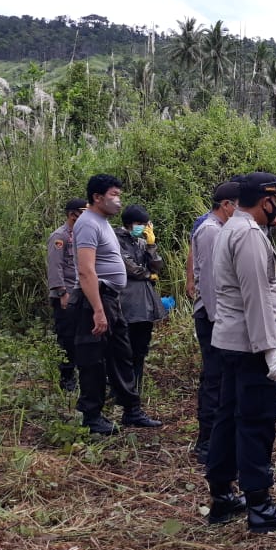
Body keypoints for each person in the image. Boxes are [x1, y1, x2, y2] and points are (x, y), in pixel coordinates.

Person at [205, 172, 276, 533]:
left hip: (230, 340)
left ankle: (222, 495)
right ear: (266, 201)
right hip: (249, 346)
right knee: (255, 422)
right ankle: (260, 506)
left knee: (228, 417)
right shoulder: (248, 235)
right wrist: (269, 350)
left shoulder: (230, 227)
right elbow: (257, 298)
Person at [70, 174, 162, 435]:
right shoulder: (88, 224)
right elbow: (86, 271)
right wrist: (98, 310)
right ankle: (92, 416)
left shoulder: (102, 222)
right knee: (93, 359)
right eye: (114, 195)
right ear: (97, 197)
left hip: (111, 299)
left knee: (122, 355)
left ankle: (131, 410)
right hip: (96, 300)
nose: (118, 201)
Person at [189, 181, 240, 466]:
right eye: (236, 206)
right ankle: (206, 442)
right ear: (226, 205)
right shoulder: (210, 231)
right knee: (213, 378)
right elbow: (208, 281)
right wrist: (218, 319)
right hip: (212, 317)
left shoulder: (219, 229)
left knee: (219, 378)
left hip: (218, 316)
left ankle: (216, 437)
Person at [115, 204, 167, 394]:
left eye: (146, 224)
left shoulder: (141, 242)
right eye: (140, 224)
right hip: (126, 301)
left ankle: (136, 386)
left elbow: (156, 266)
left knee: (140, 348)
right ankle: (121, 388)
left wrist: (152, 244)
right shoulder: (116, 240)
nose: (144, 228)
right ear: (130, 223)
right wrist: (147, 275)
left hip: (145, 304)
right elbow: (127, 266)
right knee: (123, 348)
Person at [46, 197, 87, 391]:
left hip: (81, 293)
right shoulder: (59, 237)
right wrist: (62, 293)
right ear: (73, 215)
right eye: (84, 213)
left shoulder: (82, 235)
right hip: (66, 295)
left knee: (83, 336)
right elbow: (55, 267)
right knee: (67, 338)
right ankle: (67, 377)